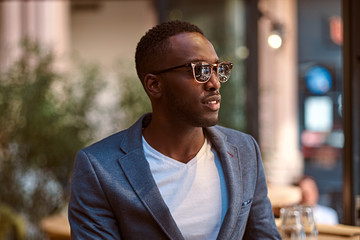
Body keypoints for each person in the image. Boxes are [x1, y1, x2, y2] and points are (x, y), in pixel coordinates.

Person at [68, 20, 281, 239]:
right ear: (154, 85)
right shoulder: (100, 168)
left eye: (217, 69)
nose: (214, 83)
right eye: (200, 70)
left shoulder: (244, 150)